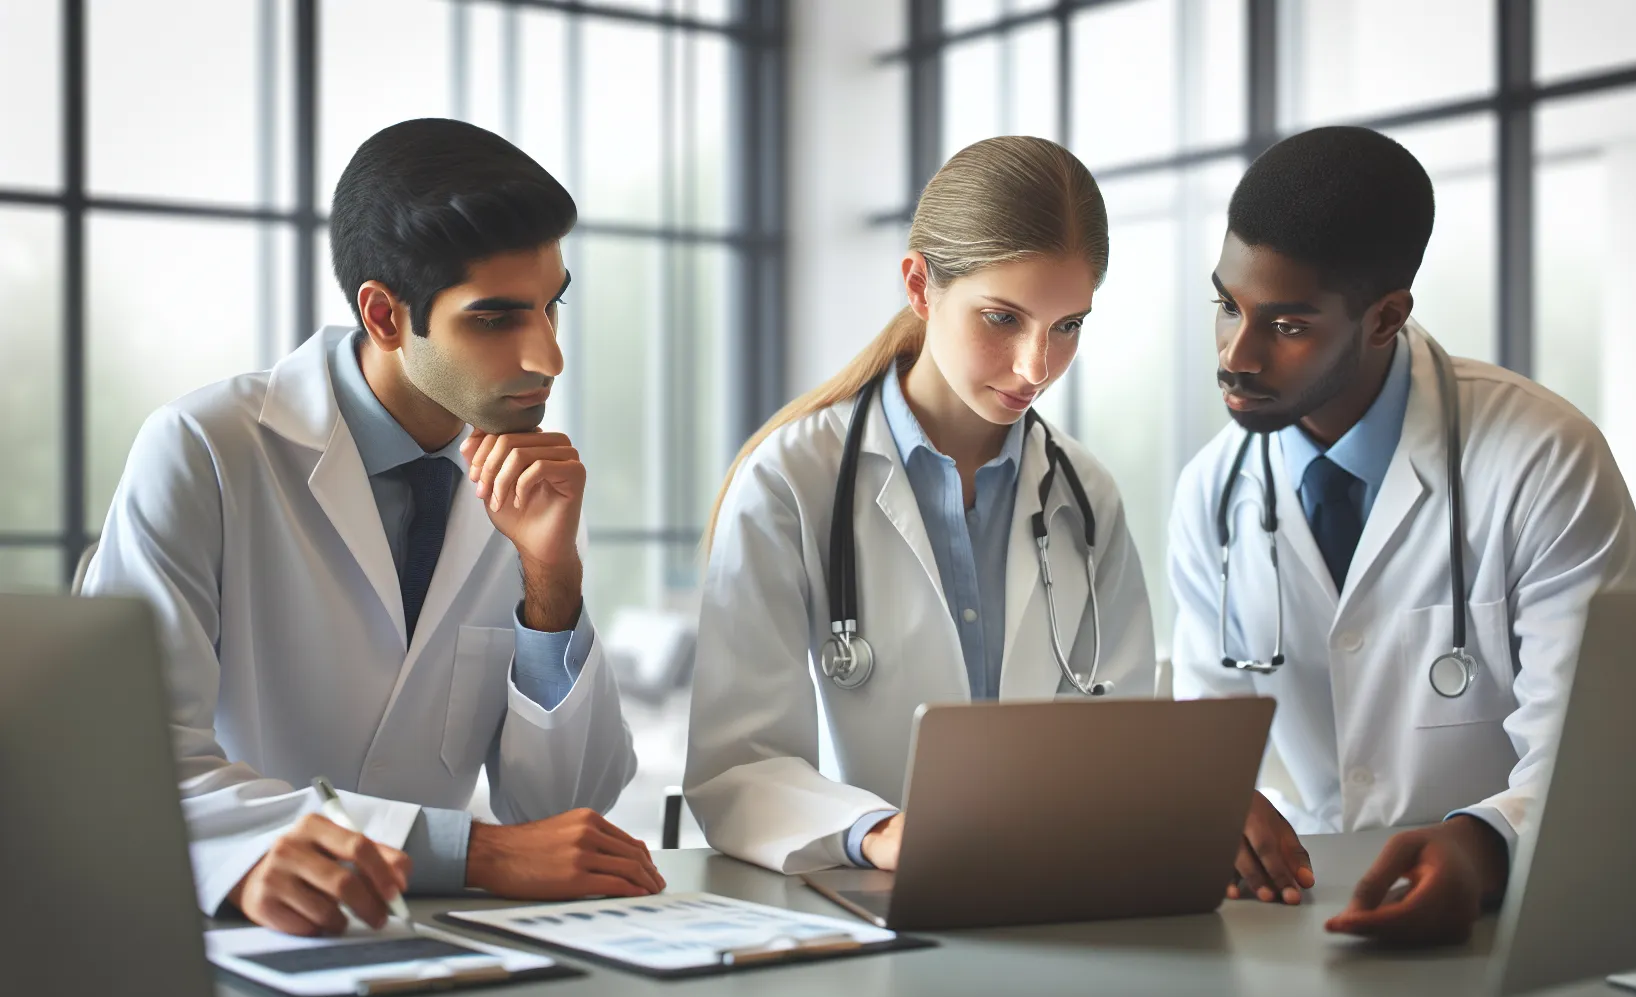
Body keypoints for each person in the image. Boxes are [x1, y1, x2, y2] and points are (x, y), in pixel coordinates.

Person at [84, 118, 663, 937]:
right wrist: (471, 854)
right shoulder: (205, 449)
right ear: (386, 315)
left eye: (551, 306)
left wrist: (552, 581)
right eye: (496, 319)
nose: (547, 358)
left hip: (445, 946)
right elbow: (134, 766)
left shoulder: (525, 484)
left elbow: (563, 817)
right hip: (247, 941)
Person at [1168, 126, 1636, 945]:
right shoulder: (1213, 493)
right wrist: (1216, 808)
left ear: (1386, 317)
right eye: (1227, 305)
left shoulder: (1543, 460)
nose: (1235, 355)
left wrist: (1483, 847)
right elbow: (1209, 747)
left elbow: (1600, 752)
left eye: (1286, 327)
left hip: (1514, 923)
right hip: (1298, 922)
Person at [684, 136, 1157, 874]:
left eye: (1067, 326)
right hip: (861, 908)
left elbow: (1123, 740)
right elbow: (738, 767)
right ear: (918, 285)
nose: (1037, 366)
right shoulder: (791, 481)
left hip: (1050, 894)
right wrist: (876, 832)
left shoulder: (1084, 494)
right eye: (1003, 318)